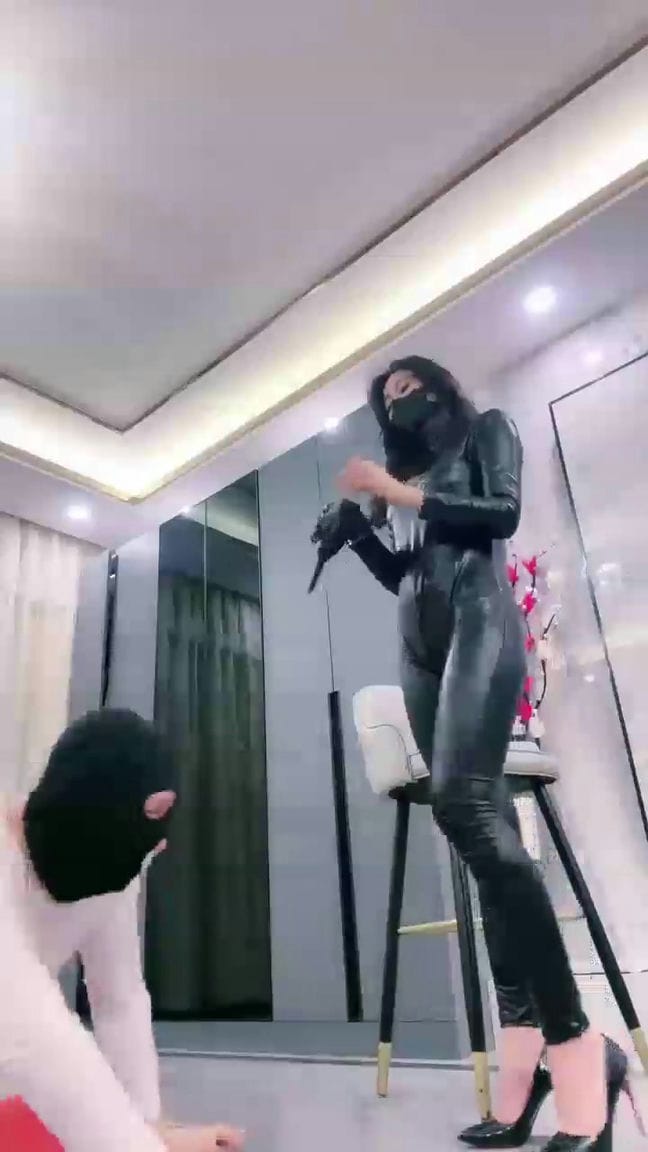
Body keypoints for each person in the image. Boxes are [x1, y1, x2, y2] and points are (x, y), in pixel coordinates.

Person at [312, 356, 635, 1151]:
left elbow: (501, 515)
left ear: (439, 387)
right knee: (477, 832)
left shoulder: (487, 430)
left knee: (465, 804)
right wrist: (358, 531)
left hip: (482, 623)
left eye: (408, 386)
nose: (398, 400)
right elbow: (404, 575)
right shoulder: (404, 476)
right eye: (387, 396)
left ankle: (579, 1046)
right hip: (419, 648)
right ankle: (525, 1070)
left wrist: (396, 496)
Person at [0, 707, 244, 1152]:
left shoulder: (111, 870)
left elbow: (119, 999)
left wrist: (150, 1124)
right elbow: (37, 1036)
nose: (158, 847)